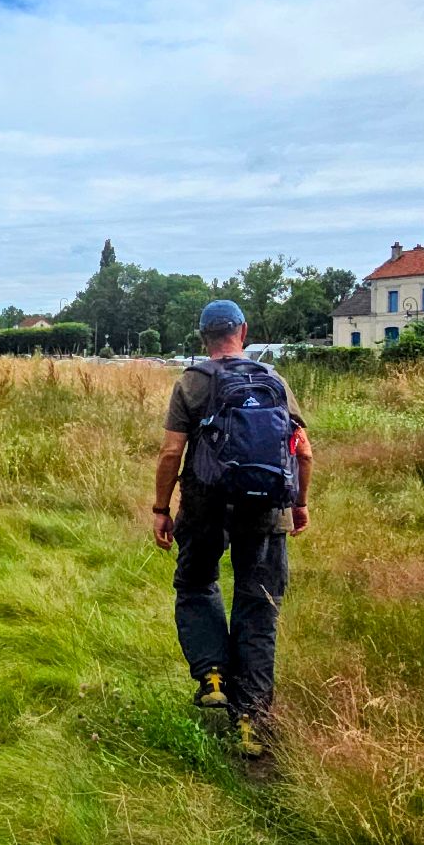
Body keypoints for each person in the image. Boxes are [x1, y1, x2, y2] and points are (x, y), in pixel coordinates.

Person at [150, 299, 314, 757]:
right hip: (267, 510)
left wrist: (161, 509)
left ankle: (213, 676)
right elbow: (303, 452)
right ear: (243, 331)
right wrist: (299, 503)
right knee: (258, 607)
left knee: (196, 583)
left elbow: (170, 453)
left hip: (205, 506)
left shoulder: (191, 382)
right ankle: (251, 722)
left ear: (203, 337)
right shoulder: (273, 379)